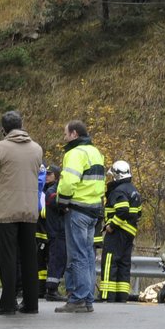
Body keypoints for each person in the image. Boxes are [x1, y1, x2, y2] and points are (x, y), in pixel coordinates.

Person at [0, 110, 44, 316]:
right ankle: (31, 303)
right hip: (30, 208)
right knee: (29, 257)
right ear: (22, 125)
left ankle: (8, 302)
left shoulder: (0, 147)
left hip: (7, 207)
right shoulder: (36, 149)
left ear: (4, 129)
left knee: (8, 256)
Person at [55, 119, 106, 314]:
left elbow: (69, 181)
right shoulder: (95, 152)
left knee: (77, 256)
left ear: (74, 134)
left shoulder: (75, 153)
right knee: (87, 256)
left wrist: (62, 202)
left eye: (66, 133)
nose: (64, 137)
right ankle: (88, 299)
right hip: (93, 209)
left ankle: (78, 298)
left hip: (77, 209)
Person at [98, 159, 142, 303]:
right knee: (124, 264)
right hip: (129, 233)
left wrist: (112, 225)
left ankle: (107, 295)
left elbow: (122, 211)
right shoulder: (133, 190)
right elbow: (138, 213)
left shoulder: (118, 190)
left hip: (117, 233)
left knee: (110, 262)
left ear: (117, 175)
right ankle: (121, 296)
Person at [36, 163, 65, 300]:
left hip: (53, 230)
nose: (47, 177)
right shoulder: (50, 191)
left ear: (57, 176)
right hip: (53, 231)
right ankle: (51, 290)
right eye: (46, 174)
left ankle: (50, 288)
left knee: (57, 259)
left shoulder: (55, 189)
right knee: (54, 260)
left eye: (50, 174)